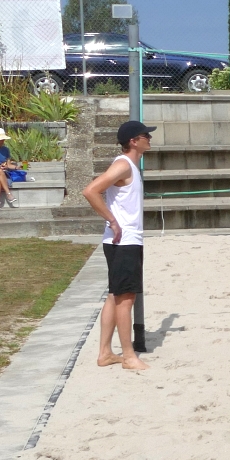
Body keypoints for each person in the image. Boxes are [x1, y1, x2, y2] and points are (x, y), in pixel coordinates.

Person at [82, 119, 154, 372]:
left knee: (115, 295)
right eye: (146, 136)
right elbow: (91, 190)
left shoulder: (129, 165)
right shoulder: (123, 164)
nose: (150, 139)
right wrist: (112, 221)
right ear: (133, 141)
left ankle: (105, 353)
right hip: (124, 241)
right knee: (125, 299)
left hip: (122, 241)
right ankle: (129, 356)